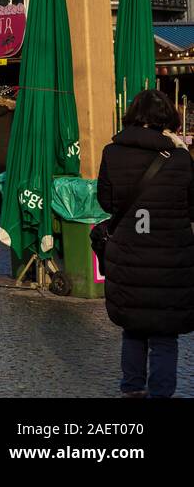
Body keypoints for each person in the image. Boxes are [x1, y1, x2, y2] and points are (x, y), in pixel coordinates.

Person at [97, 89, 194, 398]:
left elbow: (105, 201)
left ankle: (132, 390)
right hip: (171, 257)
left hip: (128, 254)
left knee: (133, 329)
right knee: (165, 337)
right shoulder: (179, 157)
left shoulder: (112, 152)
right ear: (167, 117)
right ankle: (161, 395)